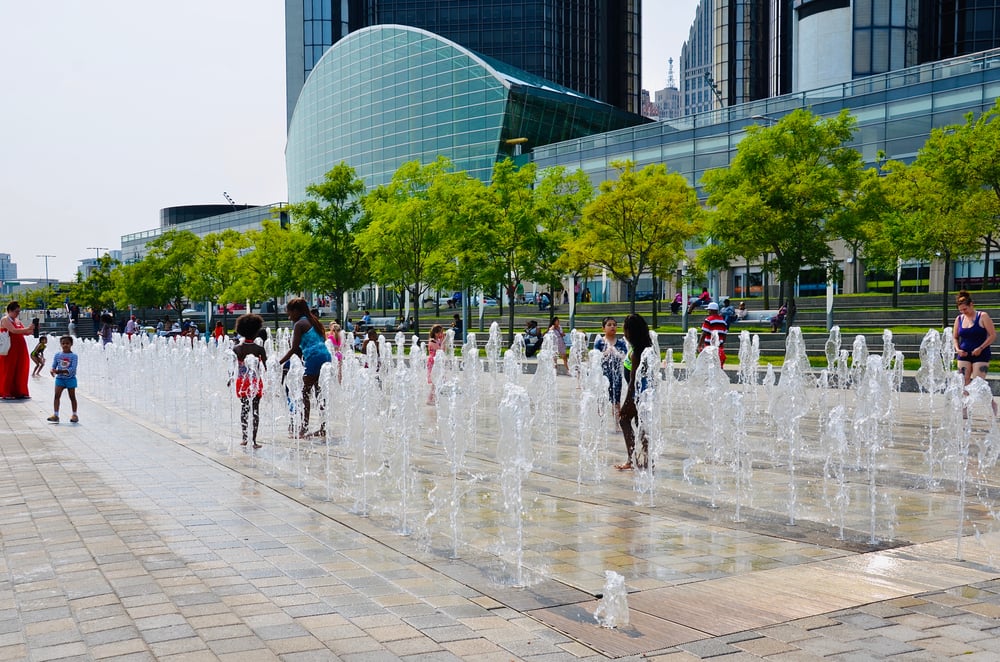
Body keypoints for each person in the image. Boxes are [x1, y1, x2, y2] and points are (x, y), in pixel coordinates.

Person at [277, 298, 332, 437]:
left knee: (304, 393)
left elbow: (294, 349)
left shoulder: (299, 324)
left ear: (296, 311)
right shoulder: (313, 320)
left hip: (314, 358)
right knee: (320, 393)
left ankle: (304, 428)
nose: (289, 317)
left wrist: (279, 363)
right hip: (325, 356)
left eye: (289, 314)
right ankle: (323, 427)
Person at [617, 313, 653, 471]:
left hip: (638, 393)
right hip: (644, 393)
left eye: (625, 329)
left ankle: (633, 459)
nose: (623, 332)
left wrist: (626, 403)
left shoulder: (637, 353)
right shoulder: (642, 347)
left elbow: (633, 381)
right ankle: (645, 460)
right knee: (641, 424)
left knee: (624, 420)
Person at [953, 290, 997, 409]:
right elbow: (955, 337)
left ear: (971, 305)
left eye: (965, 309)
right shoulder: (959, 319)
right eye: (961, 310)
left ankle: (992, 404)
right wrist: (957, 349)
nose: (963, 312)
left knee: (978, 383)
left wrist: (981, 347)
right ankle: (964, 408)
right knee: (963, 382)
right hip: (964, 353)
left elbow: (993, 335)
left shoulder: (983, 316)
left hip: (981, 353)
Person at [233, 314, 267, 449]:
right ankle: (254, 440)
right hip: (255, 382)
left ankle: (244, 437)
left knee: (244, 409)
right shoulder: (259, 349)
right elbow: (266, 366)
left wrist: (230, 378)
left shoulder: (237, 348)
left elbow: (232, 367)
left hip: (242, 382)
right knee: (255, 410)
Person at [594, 316, 628, 425]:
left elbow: (625, 357)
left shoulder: (621, 343)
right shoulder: (600, 342)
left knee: (616, 401)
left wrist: (617, 354)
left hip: (616, 376)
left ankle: (617, 424)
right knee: (601, 399)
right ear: (603, 328)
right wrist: (605, 353)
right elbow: (595, 357)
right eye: (609, 325)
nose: (612, 327)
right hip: (603, 376)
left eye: (614, 325)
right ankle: (601, 423)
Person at [0, 301, 36, 400]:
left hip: (20, 348)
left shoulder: (17, 320)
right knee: (9, 369)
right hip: (10, 348)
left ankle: (19, 391)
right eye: (16, 311)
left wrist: (32, 330)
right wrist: (27, 328)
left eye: (18, 311)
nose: (17, 313)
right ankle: (6, 392)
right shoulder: (5, 319)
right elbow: (14, 331)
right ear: (10, 311)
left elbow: (24, 332)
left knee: (21, 368)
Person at [45, 336, 79, 423]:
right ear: (60, 344)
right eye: (63, 343)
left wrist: (59, 371)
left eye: (67, 343)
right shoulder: (58, 355)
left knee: (72, 397)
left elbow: (73, 368)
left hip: (70, 379)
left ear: (71, 344)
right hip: (60, 379)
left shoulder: (74, 356)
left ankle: (74, 414)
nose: (65, 345)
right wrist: (52, 370)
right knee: (56, 396)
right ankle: (56, 415)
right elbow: (54, 365)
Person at [699, 301, 729, 366]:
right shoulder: (723, 322)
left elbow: (704, 333)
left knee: (707, 369)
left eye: (709, 310)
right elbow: (724, 336)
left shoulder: (708, 320)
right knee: (719, 370)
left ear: (712, 310)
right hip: (720, 350)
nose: (708, 312)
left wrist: (699, 345)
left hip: (709, 349)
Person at [426, 324, 445, 404]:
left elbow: (443, 350)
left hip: (436, 361)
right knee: (434, 381)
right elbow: (440, 350)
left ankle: (434, 398)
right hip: (432, 362)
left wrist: (442, 341)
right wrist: (443, 341)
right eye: (440, 332)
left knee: (438, 381)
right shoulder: (432, 341)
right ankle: (429, 399)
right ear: (436, 333)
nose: (441, 334)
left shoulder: (437, 340)